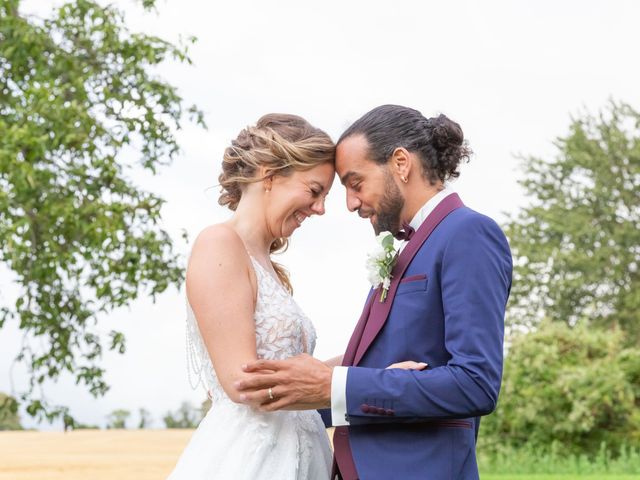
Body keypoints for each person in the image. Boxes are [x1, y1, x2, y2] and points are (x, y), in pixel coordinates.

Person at [235, 105, 513, 480]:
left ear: (400, 163)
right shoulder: (405, 248)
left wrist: (335, 384)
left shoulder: (468, 233)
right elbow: (374, 376)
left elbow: (475, 383)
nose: (350, 203)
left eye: (356, 182)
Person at [167, 113, 337, 479]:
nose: (321, 208)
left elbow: (297, 372)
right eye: (314, 190)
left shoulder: (268, 266)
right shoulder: (219, 244)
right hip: (254, 461)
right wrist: (353, 386)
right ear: (269, 174)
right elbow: (244, 382)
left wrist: (376, 365)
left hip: (302, 455)